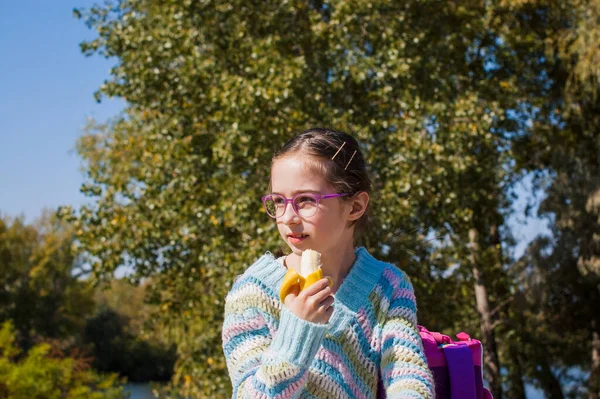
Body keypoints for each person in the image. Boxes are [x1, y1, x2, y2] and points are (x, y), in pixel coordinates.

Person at [222, 128, 434, 398]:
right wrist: (298, 330)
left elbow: (409, 380)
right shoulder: (251, 294)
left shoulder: (388, 287)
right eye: (278, 201)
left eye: (306, 201)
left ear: (355, 207)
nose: (287, 217)